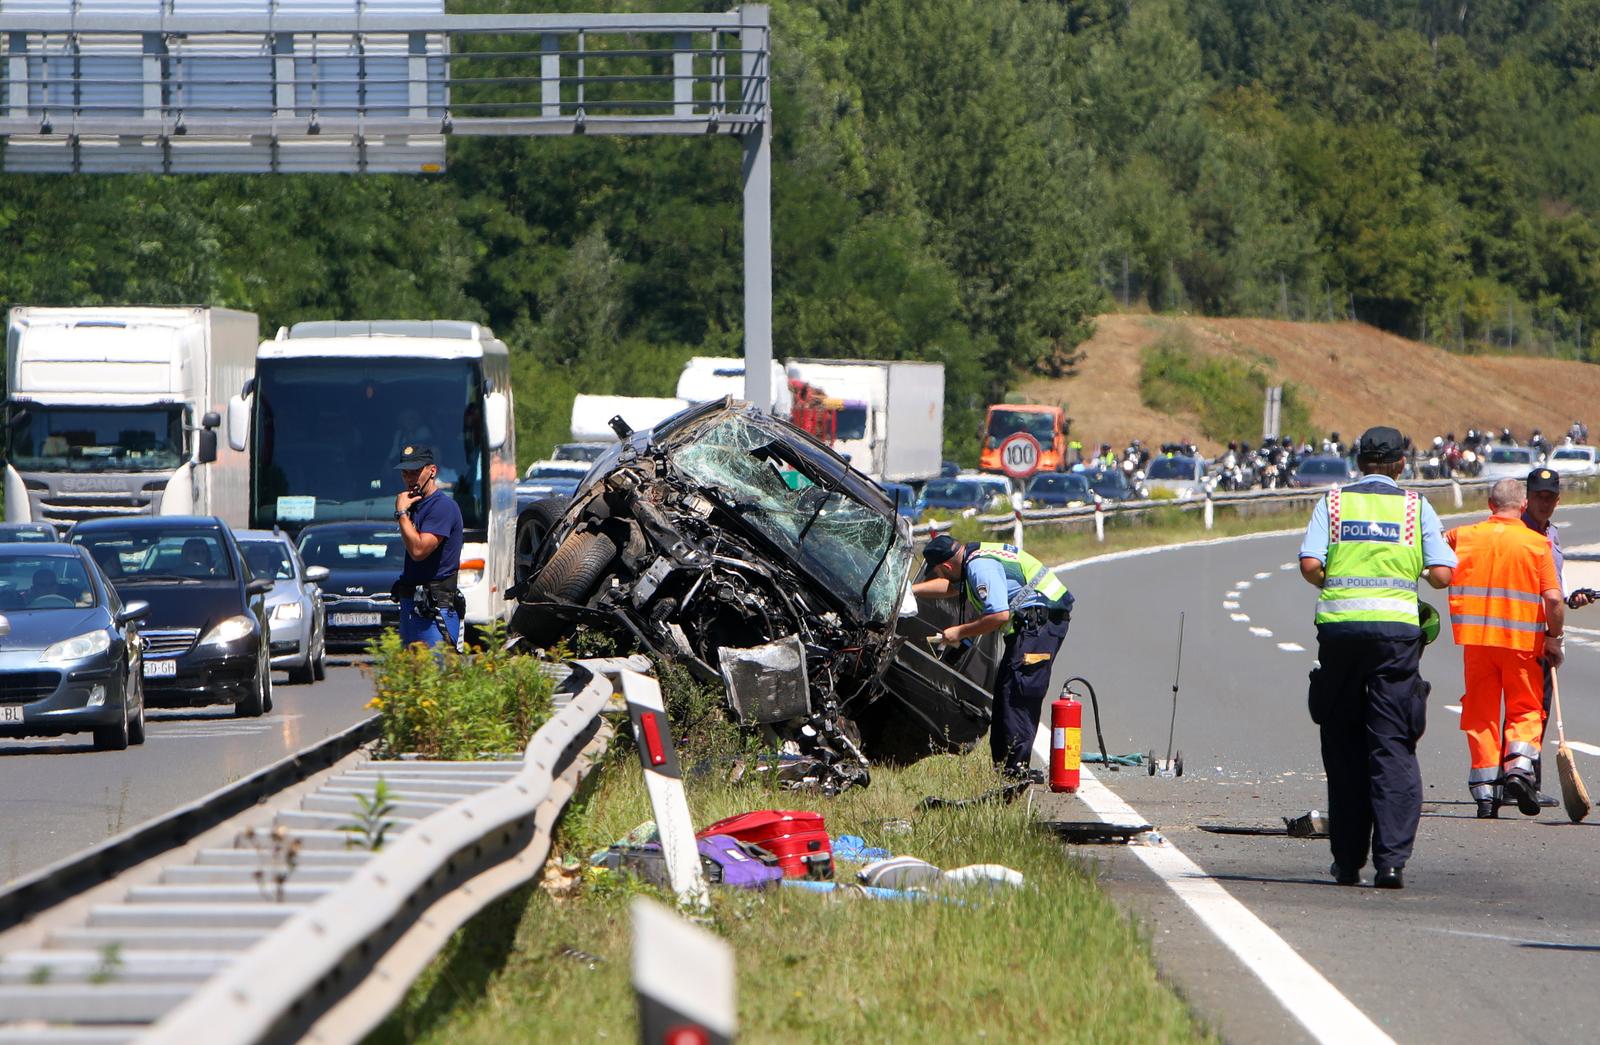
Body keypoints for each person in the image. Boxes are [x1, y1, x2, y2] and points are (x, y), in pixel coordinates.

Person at [1299, 426, 1455, 890]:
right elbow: (1444, 576)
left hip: (1342, 636)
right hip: (1395, 640)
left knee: (1344, 746)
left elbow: (1311, 566)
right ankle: (1391, 863)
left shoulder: (1332, 503)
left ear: (1358, 462)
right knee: (1392, 745)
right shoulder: (1415, 507)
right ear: (1401, 465)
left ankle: (1347, 862)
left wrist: (1336, 581)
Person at [1445, 478, 1564, 819]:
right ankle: (1518, 769)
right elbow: (1554, 599)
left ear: (1489, 504)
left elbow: (1432, 557)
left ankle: (1484, 792)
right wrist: (1554, 638)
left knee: (1481, 713)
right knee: (1524, 709)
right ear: (1523, 506)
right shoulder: (1535, 543)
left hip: (1477, 642)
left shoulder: (1462, 536)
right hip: (1521, 642)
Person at [911, 535, 1074, 779]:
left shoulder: (979, 567)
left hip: (1039, 624)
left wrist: (959, 631)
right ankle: (1005, 770)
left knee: (1016, 696)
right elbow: (952, 588)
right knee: (1006, 694)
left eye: (939, 572)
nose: (941, 577)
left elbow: (998, 615)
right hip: (1034, 624)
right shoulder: (971, 559)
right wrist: (910, 591)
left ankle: (1014, 773)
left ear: (946, 566)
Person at [1520, 467, 1591, 805]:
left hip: (1546, 622)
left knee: (1538, 708)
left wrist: (1570, 600)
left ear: (1557, 500)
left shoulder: (1552, 533)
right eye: (1539, 497)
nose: (1544, 503)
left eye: (1550, 498)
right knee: (1529, 709)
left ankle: (1525, 778)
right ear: (1527, 497)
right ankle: (1521, 778)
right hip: (1527, 629)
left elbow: (1552, 588)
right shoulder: (1519, 532)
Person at [392, 445, 464, 649]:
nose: (409, 478)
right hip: (410, 604)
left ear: (432, 471)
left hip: (434, 609)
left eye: (415, 472)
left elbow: (418, 551)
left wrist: (401, 514)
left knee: (434, 675)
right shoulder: (414, 504)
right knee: (411, 677)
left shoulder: (442, 507)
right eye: (405, 473)